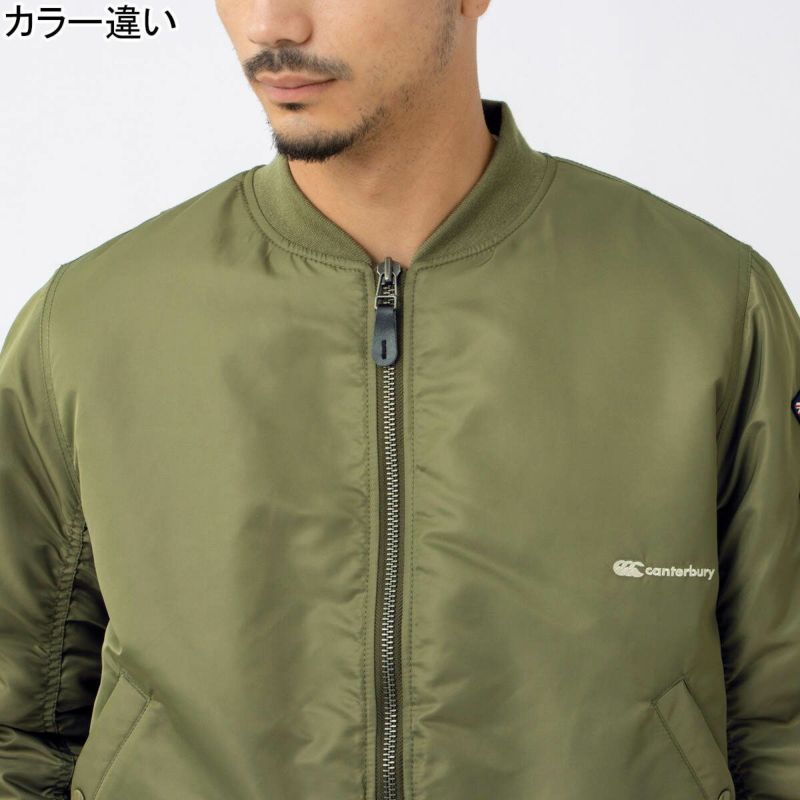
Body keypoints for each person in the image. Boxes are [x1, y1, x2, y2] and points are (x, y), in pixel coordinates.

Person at [1, 1, 798, 798]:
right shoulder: (90, 324)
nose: (272, 24)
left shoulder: (707, 307)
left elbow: (784, 724)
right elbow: (16, 731)